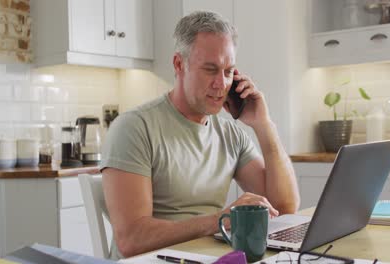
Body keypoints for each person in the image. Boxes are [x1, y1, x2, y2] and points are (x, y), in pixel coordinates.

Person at [101, 11, 300, 260]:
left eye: (228, 71)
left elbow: (284, 208)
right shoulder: (134, 128)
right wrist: (220, 221)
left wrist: (264, 125)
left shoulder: (230, 134)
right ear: (178, 64)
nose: (221, 83)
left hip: (208, 258)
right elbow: (131, 240)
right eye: (210, 69)